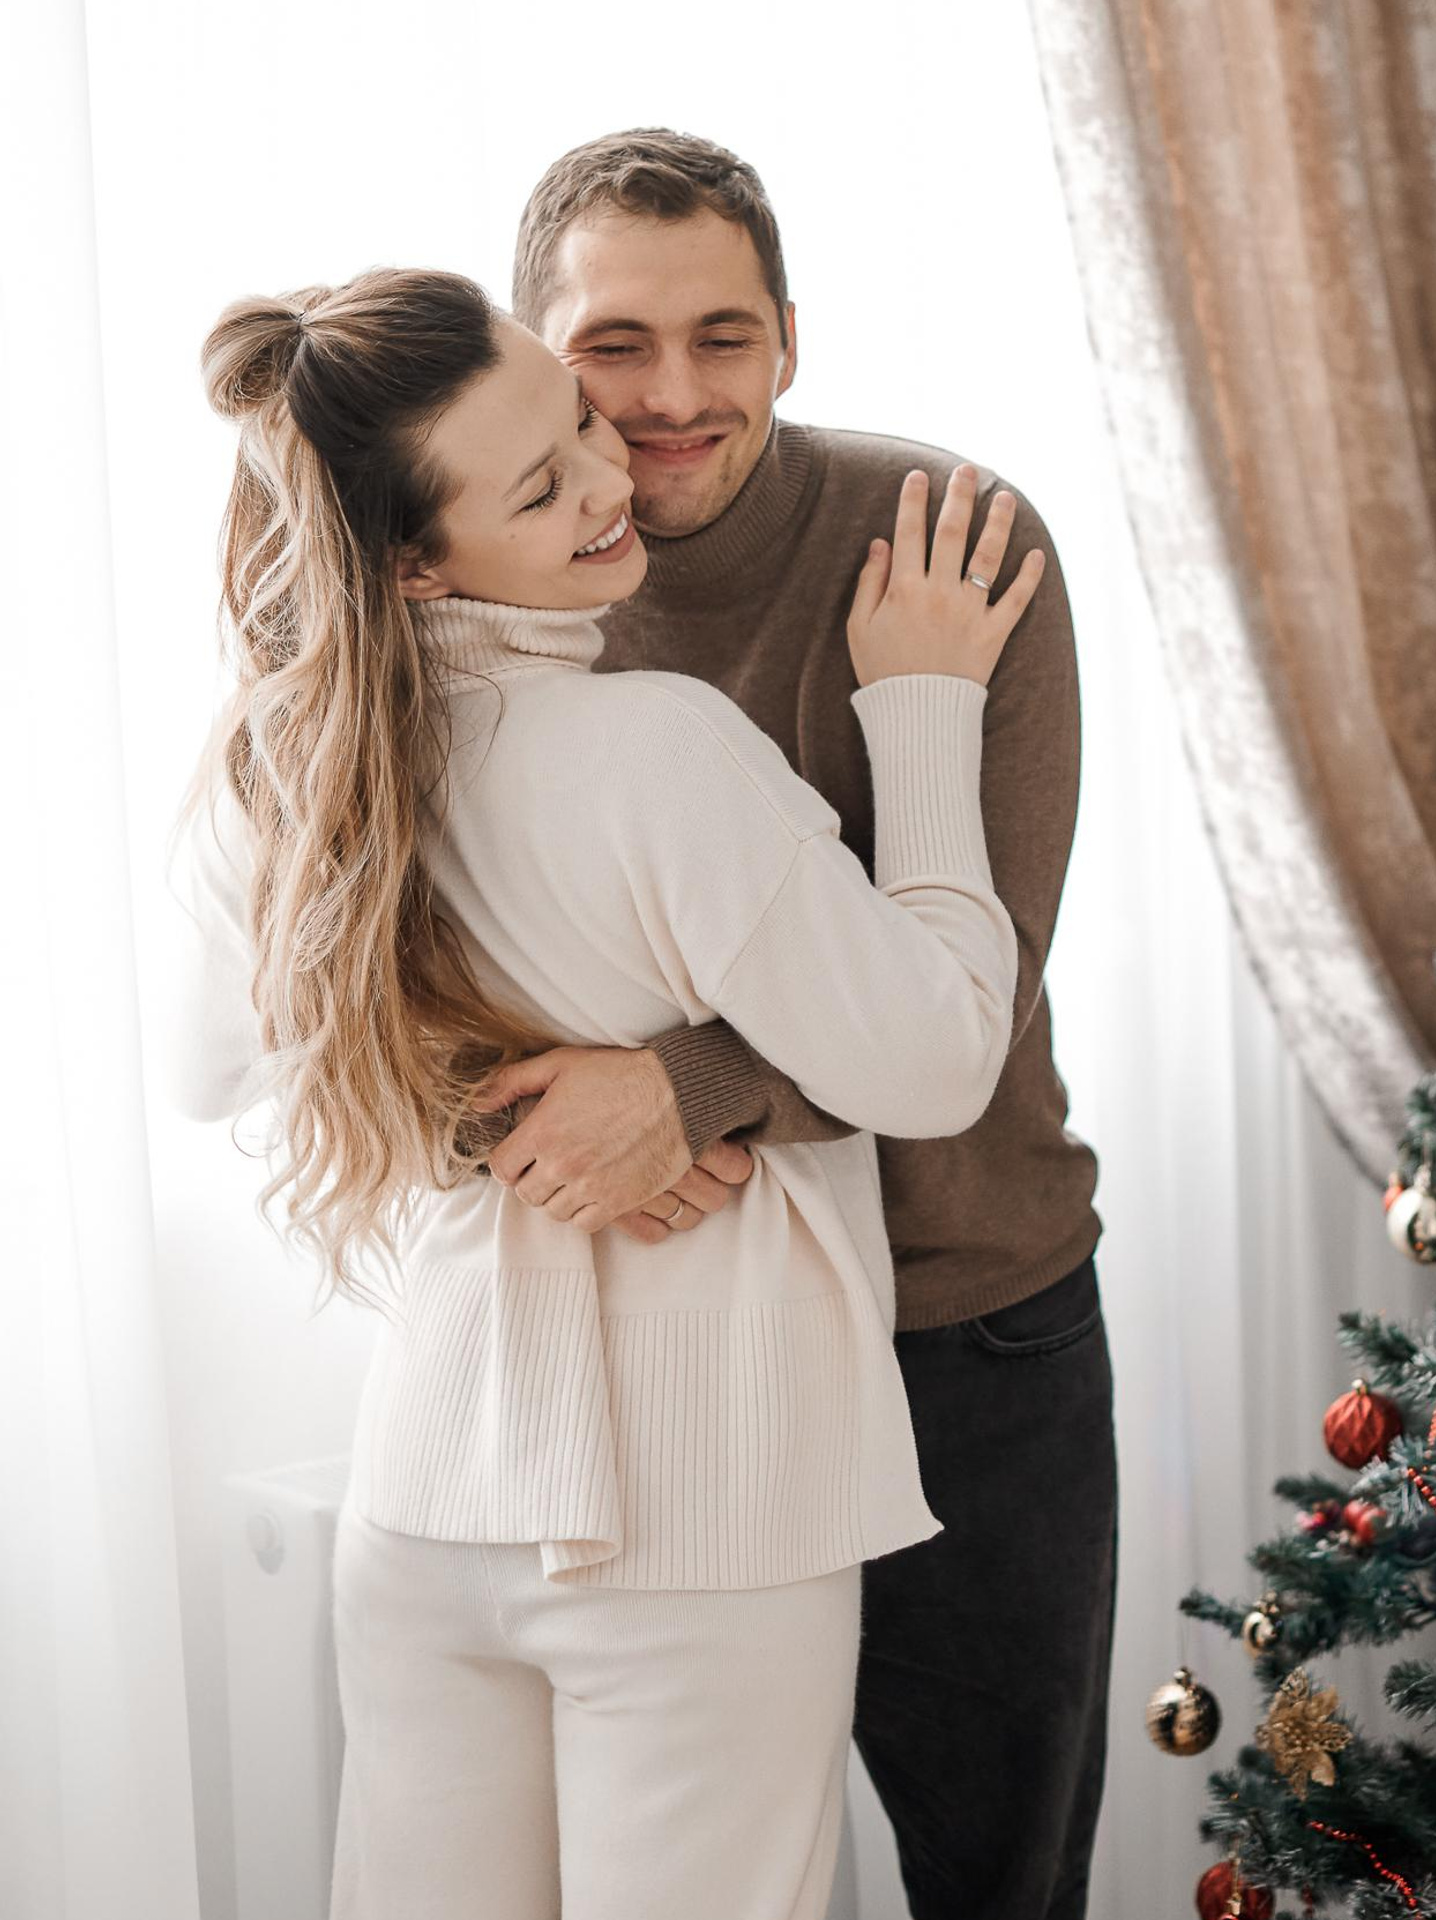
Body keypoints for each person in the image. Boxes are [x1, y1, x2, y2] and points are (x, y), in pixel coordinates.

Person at [170, 264, 1048, 1920]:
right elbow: (937, 1057)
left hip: (429, 1494)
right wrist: (925, 709)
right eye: (538, 484)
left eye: (577, 421)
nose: (607, 476)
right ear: (415, 562)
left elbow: (214, 1069)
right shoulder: (656, 749)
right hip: (707, 1503)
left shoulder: (283, 762)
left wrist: (483, 1101)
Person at [476, 129, 1112, 1920]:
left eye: (723, 337)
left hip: (966, 1326)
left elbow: (976, 978)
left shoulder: (956, 542)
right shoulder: (488, 579)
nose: (674, 396)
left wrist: (681, 1090)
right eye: (613, 346)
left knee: (1002, 1882)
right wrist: (507, 1115)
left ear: (790, 339)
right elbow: (418, 952)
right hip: (682, 1350)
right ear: (535, 359)